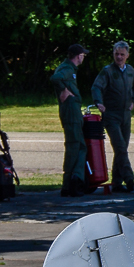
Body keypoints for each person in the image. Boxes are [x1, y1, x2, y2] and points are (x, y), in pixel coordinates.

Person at [91, 41, 134, 192]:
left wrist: (133, 101)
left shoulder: (131, 70)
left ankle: (117, 183)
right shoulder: (107, 71)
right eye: (116, 54)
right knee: (119, 146)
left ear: (127, 55)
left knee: (122, 148)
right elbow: (96, 87)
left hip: (125, 114)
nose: (119, 57)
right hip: (111, 115)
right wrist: (99, 102)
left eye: (122, 54)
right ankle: (129, 178)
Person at [49, 44, 89, 197]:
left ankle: (71, 182)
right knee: (76, 146)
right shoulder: (67, 69)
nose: (83, 57)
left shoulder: (68, 68)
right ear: (78, 56)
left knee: (77, 145)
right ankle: (73, 181)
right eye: (83, 55)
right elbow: (55, 78)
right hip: (71, 111)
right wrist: (64, 90)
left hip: (71, 110)